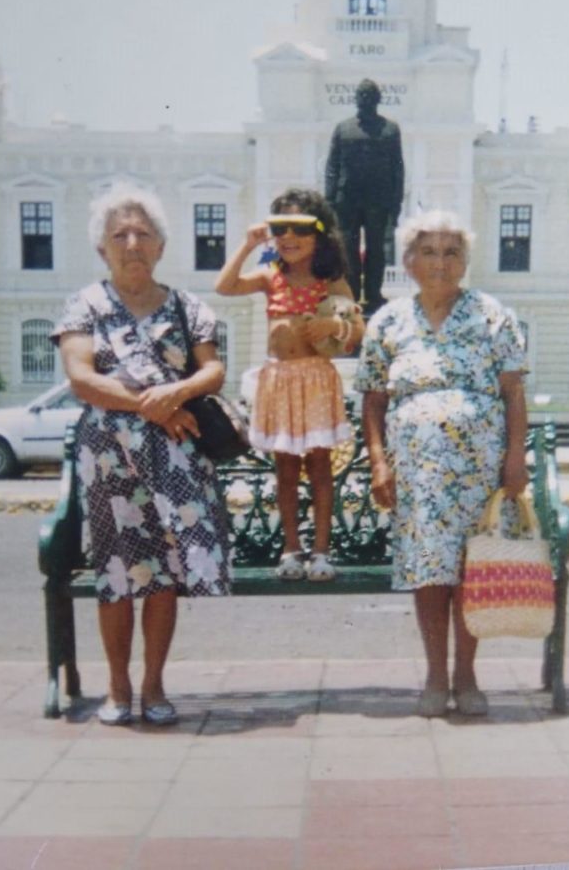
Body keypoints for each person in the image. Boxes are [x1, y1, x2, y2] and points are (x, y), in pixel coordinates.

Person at [52, 183, 229, 726]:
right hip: (110, 460)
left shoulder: (187, 307)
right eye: (120, 235)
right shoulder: (85, 305)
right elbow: (83, 379)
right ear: (102, 247)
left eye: (143, 234)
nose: (132, 243)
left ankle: (153, 685)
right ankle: (117, 687)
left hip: (175, 460)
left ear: (160, 246)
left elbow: (212, 370)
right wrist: (155, 406)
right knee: (117, 575)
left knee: (163, 577)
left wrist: (178, 393)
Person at [355, 210, 528, 717]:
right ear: (408, 261)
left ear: (465, 262)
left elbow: (513, 394)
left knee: (473, 570)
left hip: (479, 469)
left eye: (452, 253)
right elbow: (373, 400)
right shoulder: (388, 321)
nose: (440, 263)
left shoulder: (492, 315)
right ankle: (435, 675)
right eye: (428, 252)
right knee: (430, 572)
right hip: (418, 473)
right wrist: (379, 462)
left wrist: (515, 458)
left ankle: (467, 675)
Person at [215, 187, 364, 581]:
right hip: (279, 380)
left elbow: (357, 329)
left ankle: (321, 551)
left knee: (319, 466)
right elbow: (225, 287)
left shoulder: (330, 280)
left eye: (299, 228)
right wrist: (248, 245)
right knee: (285, 467)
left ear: (320, 232)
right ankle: (291, 549)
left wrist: (332, 325)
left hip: (315, 379)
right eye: (280, 228)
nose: (288, 237)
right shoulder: (271, 276)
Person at [324, 78, 404, 315]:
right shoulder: (343, 128)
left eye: (370, 95)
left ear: (378, 99)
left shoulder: (390, 130)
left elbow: (398, 169)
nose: (366, 99)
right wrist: (329, 201)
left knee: (376, 249)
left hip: (378, 200)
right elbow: (332, 167)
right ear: (356, 99)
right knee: (348, 250)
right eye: (362, 95)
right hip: (346, 200)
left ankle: (373, 294)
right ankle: (351, 294)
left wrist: (396, 203)